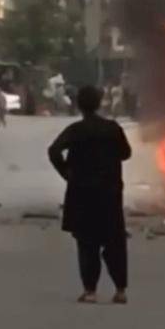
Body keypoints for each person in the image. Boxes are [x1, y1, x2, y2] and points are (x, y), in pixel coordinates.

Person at [48, 86, 132, 304]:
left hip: (82, 193)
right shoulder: (112, 129)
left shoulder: (75, 130)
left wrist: (67, 172)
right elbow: (126, 153)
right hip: (109, 193)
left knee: (87, 243)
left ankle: (90, 291)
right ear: (100, 102)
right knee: (114, 242)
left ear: (78, 105)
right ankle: (120, 290)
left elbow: (53, 151)